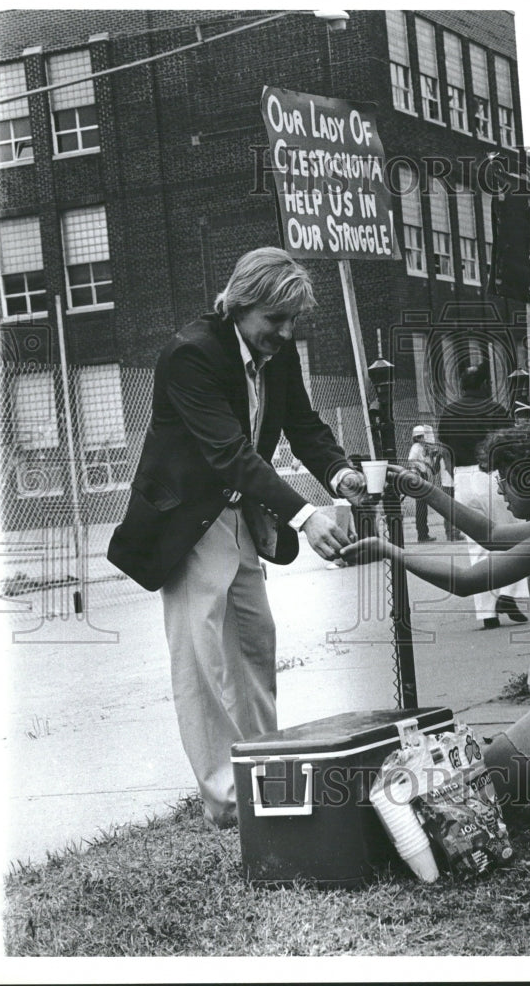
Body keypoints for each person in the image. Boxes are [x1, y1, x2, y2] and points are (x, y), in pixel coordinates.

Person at [108, 247, 366, 829]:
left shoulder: (278, 354)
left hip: (241, 516)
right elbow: (229, 453)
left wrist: (339, 472)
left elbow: (304, 427)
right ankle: (227, 802)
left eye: (293, 321)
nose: (285, 332)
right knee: (200, 660)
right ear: (241, 303)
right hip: (186, 523)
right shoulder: (190, 354)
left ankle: (268, 775)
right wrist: (305, 515)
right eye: (276, 319)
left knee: (254, 642)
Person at [343, 422, 530, 846]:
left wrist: (393, 552)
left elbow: (466, 581)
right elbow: (489, 535)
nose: (500, 489)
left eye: (507, 479)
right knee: (474, 803)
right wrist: (425, 490)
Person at [437, 362, 527, 628]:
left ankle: (486, 612)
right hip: (491, 474)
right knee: (507, 536)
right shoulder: (495, 409)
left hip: (463, 477)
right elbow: (509, 444)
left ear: (463, 386)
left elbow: (444, 448)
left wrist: (454, 477)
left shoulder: (449, 412)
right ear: (485, 384)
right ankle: (507, 594)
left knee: (476, 545)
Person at [407, 425, 437, 542]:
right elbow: (411, 460)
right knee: (421, 506)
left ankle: (423, 533)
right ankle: (422, 534)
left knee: (422, 506)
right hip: (419, 475)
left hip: (422, 475)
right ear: (418, 437)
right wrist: (420, 467)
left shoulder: (422, 447)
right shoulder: (416, 447)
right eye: (423, 436)